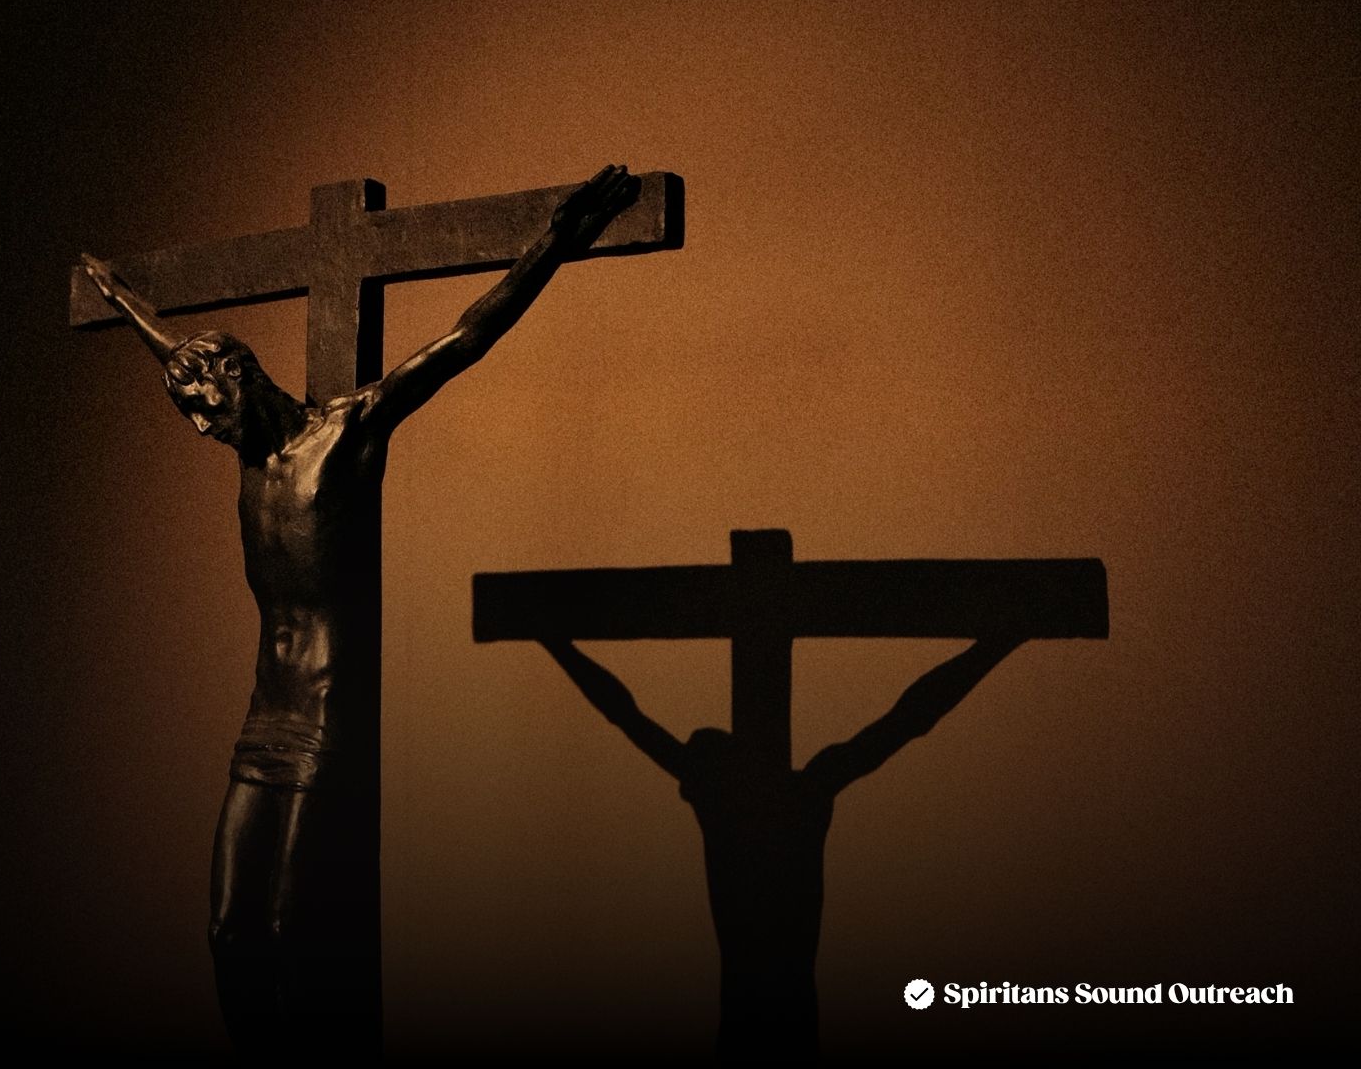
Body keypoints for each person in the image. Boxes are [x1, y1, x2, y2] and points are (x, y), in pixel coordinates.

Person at [80, 165, 642, 1051]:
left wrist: (554, 243)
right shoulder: (247, 457)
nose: (201, 427)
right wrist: (123, 301)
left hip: (323, 721)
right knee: (228, 933)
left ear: (239, 375)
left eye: (206, 407)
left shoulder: (346, 433)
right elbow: (172, 348)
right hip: (262, 722)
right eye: (188, 415)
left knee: (286, 932)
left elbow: (465, 339)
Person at [538, 634, 1026, 1058]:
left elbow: (627, 717)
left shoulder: (730, 808)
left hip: (752, 1027)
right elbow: (908, 720)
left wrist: (557, 646)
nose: (687, 785)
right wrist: (995, 647)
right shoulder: (804, 795)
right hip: (785, 1025)